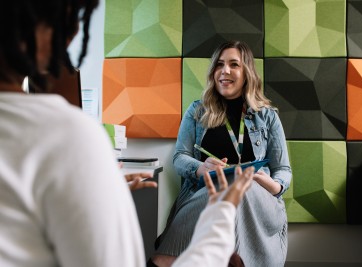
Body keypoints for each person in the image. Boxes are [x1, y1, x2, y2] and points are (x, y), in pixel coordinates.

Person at [0, 1, 254, 266]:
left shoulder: (266, 116)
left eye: (234, 65)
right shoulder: (68, 136)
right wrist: (222, 215)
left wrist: (102, 190)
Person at [152, 40, 292, 267]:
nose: (224, 71)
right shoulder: (197, 111)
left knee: (242, 186)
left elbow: (283, 170)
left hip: (258, 199)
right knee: (228, 187)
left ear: (247, 72)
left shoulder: (268, 116)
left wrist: (273, 185)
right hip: (206, 193)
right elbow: (180, 157)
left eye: (234, 64)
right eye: (219, 65)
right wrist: (199, 167)